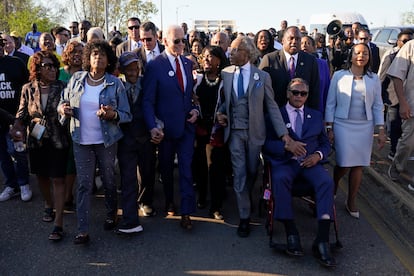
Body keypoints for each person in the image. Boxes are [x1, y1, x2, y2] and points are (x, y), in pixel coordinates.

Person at [216, 36, 306, 237]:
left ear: (246, 53)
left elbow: (272, 107)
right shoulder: (226, 73)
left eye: (234, 50)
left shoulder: (262, 77)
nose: (230, 53)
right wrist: (220, 114)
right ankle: (244, 217)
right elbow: (225, 102)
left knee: (252, 171)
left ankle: (253, 197)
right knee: (239, 173)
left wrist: (284, 135)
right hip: (235, 133)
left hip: (256, 133)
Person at [58, 40, 131, 244]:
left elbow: (126, 114)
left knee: (108, 180)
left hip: (106, 141)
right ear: (88, 58)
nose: (98, 57)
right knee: (84, 184)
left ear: (108, 60)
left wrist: (112, 114)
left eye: (102, 55)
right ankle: (82, 229)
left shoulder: (115, 83)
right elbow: (62, 102)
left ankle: (110, 214)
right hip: (81, 139)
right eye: (94, 54)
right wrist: (62, 110)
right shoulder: (76, 79)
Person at [262, 78, 336, 267]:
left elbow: (325, 144)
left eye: (303, 93)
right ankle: (291, 232)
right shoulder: (275, 115)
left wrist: (318, 156)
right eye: (295, 92)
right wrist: (286, 147)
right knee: (279, 178)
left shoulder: (316, 115)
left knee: (326, 182)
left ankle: (322, 240)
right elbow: (266, 144)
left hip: (310, 163)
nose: (299, 96)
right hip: (286, 163)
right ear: (288, 93)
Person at [142, 24, 199, 230]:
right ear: (164, 41)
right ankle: (169, 200)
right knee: (166, 169)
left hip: (186, 128)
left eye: (183, 40)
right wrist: (152, 127)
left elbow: (191, 97)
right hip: (165, 131)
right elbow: (147, 101)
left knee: (185, 169)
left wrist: (195, 111)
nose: (181, 44)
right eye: (177, 41)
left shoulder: (187, 62)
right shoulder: (155, 65)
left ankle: (186, 211)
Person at [12, 51, 69, 241]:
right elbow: (21, 114)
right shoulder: (28, 88)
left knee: (58, 179)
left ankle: (58, 223)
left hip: (58, 139)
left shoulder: (63, 86)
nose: (53, 70)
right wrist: (17, 128)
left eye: (54, 65)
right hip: (36, 139)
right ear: (38, 69)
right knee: (42, 176)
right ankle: (49, 203)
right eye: (48, 66)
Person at [325, 43, 386, 218]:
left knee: (359, 164)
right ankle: (334, 185)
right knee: (344, 164)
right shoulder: (339, 76)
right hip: (343, 125)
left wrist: (380, 129)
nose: (361, 56)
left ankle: (351, 200)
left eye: (365, 53)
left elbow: (377, 105)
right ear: (351, 56)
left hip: (364, 127)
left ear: (369, 57)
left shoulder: (374, 78)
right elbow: (330, 103)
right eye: (357, 53)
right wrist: (329, 127)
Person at [117, 52, 155, 233]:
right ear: (122, 70)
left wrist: (157, 127)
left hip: (146, 137)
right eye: (129, 69)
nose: (133, 72)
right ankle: (130, 218)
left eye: (135, 68)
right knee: (128, 178)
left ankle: (145, 201)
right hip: (125, 139)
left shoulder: (147, 84)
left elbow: (156, 107)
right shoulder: (118, 86)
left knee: (147, 173)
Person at [192, 45, 229, 219]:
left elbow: (230, 104)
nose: (206, 59)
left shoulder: (225, 81)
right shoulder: (197, 79)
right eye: (204, 56)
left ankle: (216, 205)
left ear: (219, 60)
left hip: (217, 131)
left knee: (215, 168)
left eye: (211, 56)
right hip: (199, 128)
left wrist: (223, 116)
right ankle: (202, 196)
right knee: (200, 166)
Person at [259, 26, 320, 110]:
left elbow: (314, 90)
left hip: (301, 113)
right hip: (276, 113)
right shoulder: (270, 59)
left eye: (298, 39)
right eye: (290, 38)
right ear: (282, 41)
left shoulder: (310, 60)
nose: (294, 42)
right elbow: (260, 90)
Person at [0, 38, 31, 203]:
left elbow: (27, 88)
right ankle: (11, 185)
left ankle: (24, 183)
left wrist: (21, 116)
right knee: (3, 154)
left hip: (16, 118)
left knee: (18, 151)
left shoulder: (16, 63)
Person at [378, 30, 413, 161]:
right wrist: (380, 96)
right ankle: (393, 150)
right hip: (393, 96)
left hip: (408, 95)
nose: (407, 43)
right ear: (398, 41)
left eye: (410, 40)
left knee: (407, 128)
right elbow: (382, 76)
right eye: (404, 41)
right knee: (395, 125)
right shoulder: (391, 55)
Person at [58, 40, 84, 211]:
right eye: (74, 51)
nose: (77, 55)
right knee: (59, 161)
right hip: (57, 124)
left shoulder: (87, 74)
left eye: (81, 52)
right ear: (67, 53)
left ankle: (68, 196)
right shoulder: (58, 73)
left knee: (72, 162)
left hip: (78, 124)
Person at [387, 39, 414, 190]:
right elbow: (397, 76)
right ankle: (397, 166)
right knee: (408, 143)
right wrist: (402, 102)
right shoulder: (411, 46)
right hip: (412, 105)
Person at [301, 35, 331, 114]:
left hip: (318, 108)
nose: (304, 45)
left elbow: (327, 88)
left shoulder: (322, 64)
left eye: (307, 43)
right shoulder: (294, 63)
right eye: (301, 43)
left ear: (314, 48)